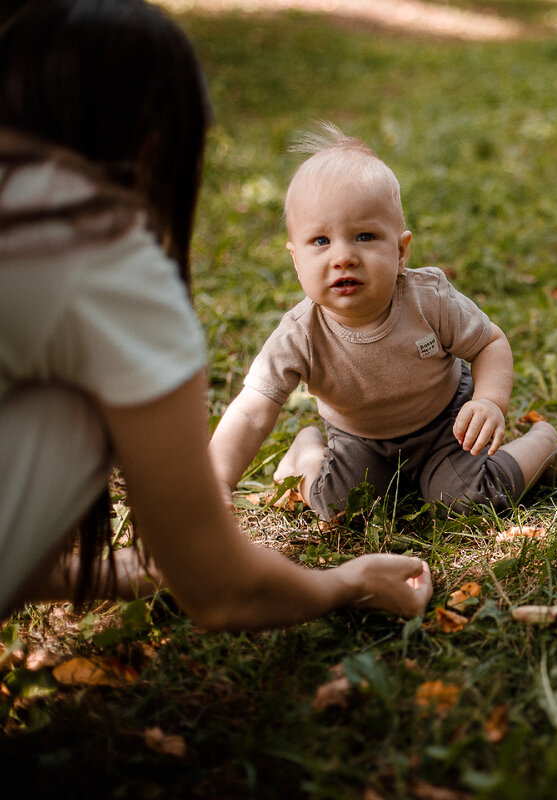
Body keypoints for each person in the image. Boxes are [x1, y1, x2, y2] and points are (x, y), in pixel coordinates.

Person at [0, 0, 432, 625]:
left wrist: (114, 572)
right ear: (156, 148)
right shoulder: (102, 258)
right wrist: (344, 582)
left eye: (365, 237)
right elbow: (224, 590)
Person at [208, 124, 557, 521]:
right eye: (321, 241)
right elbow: (250, 412)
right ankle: (306, 455)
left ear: (401, 251)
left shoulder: (427, 299)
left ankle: (545, 445)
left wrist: (488, 401)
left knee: (468, 501)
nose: (343, 256)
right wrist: (216, 480)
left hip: (446, 425)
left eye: (364, 236)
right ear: (296, 260)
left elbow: (489, 343)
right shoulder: (299, 335)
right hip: (359, 440)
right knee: (341, 509)